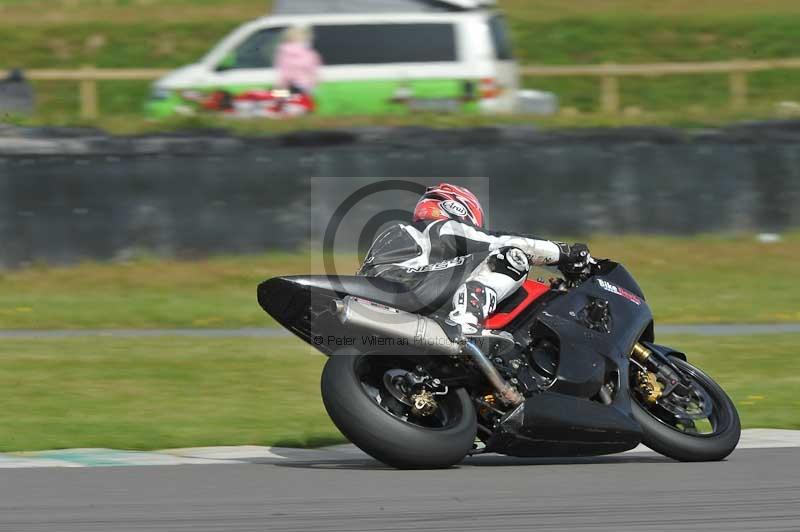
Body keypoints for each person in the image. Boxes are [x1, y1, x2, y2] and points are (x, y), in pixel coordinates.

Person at [358, 183, 594, 336]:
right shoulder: (438, 227)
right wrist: (563, 253)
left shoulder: (418, 241)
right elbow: (499, 241)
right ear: (457, 207)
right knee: (510, 255)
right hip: (406, 284)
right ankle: (466, 324)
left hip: (392, 296)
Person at [274, 25, 322, 95]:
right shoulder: (309, 53)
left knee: (279, 99)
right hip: (305, 86)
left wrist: (280, 87)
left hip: (288, 87)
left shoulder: (283, 53)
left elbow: (283, 72)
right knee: (302, 103)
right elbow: (313, 71)